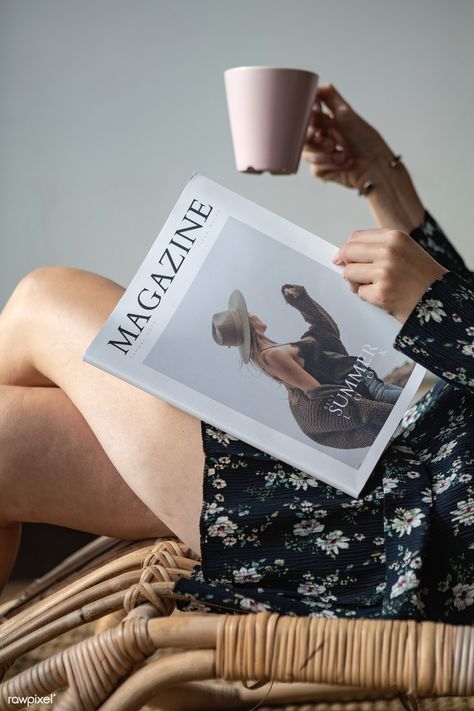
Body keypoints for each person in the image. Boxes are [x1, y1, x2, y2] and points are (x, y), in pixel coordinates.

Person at [0, 86, 472, 624]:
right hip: (407, 449)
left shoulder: (276, 356)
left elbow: (319, 394)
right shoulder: (273, 353)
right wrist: (379, 177)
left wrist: (435, 304)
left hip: (406, 511)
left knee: (44, 295)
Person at [211, 283, 402, 449]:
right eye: (248, 315)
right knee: (409, 406)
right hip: (368, 389)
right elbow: (317, 391)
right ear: (248, 325)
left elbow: (326, 331)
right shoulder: (271, 356)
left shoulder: (274, 350)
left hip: (367, 381)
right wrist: (374, 409)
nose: (252, 314)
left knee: (413, 406)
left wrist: (301, 302)